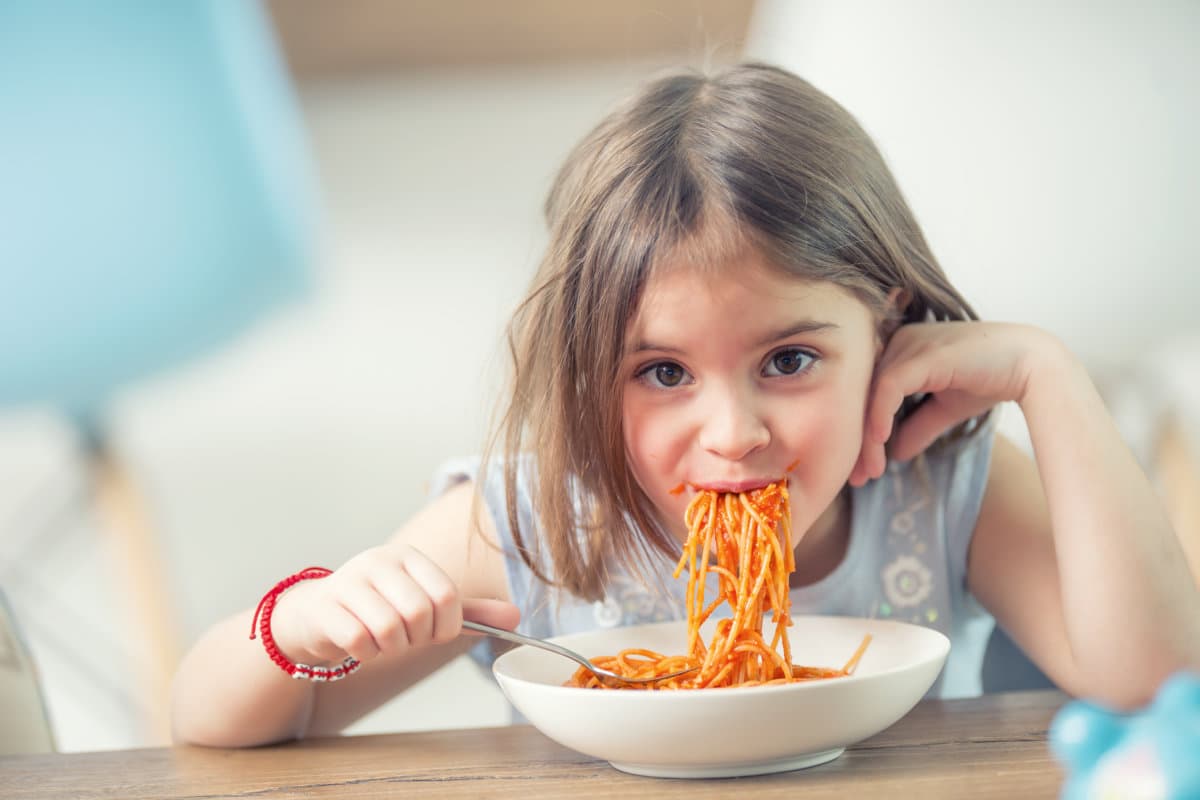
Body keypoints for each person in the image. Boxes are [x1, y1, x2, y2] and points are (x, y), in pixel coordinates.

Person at [171, 62, 1200, 747]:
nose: (732, 432)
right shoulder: (535, 525)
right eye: (662, 372)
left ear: (887, 322)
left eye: (789, 359)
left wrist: (1046, 374)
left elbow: (1151, 680)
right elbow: (210, 723)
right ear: (586, 370)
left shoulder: (943, 490)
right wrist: (298, 623)